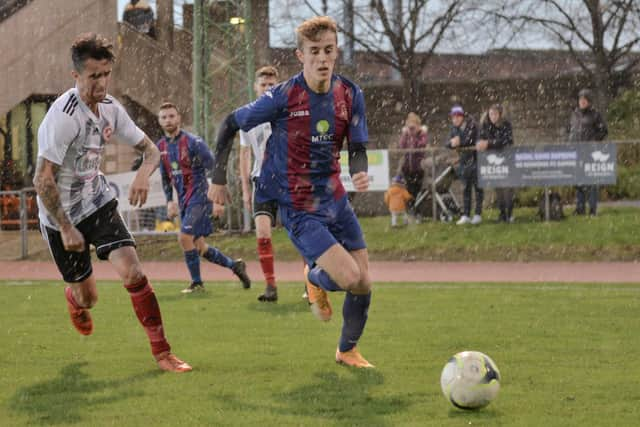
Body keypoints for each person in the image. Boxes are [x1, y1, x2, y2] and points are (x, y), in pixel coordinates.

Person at [208, 16, 374, 368]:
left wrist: (359, 173)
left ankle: (347, 351)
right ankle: (312, 277)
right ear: (301, 55)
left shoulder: (350, 93)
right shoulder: (283, 96)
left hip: (336, 199)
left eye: (328, 50)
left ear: (336, 52)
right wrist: (217, 177)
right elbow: (229, 123)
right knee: (348, 278)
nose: (322, 58)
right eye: (314, 51)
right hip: (299, 206)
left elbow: (357, 146)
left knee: (364, 284)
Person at [32, 33, 190, 372]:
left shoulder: (110, 109)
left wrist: (143, 175)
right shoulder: (63, 117)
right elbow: (42, 180)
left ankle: (163, 354)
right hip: (59, 214)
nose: (102, 83)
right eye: (94, 76)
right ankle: (75, 300)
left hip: (97, 201)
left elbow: (150, 150)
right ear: (76, 76)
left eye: (106, 74)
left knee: (133, 270)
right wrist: (65, 226)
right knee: (89, 298)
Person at [156, 102, 251, 294]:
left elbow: (214, 167)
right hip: (185, 201)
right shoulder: (161, 147)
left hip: (200, 197)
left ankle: (197, 283)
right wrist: (169, 200)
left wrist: (217, 200)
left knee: (184, 237)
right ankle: (235, 266)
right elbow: (165, 178)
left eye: (171, 116)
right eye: (164, 117)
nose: (168, 120)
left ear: (179, 118)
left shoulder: (193, 142)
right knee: (199, 246)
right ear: (159, 121)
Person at [239, 66, 281, 302]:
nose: (267, 88)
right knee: (263, 234)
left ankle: (311, 285)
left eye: (272, 85)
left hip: (287, 181)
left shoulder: (285, 113)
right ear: (256, 87)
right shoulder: (248, 116)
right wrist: (245, 189)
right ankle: (270, 286)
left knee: (301, 234)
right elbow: (244, 155)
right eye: (263, 84)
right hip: (261, 181)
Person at [568, 89, 608, 216]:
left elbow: (603, 131)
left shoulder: (595, 115)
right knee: (578, 181)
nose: (582, 102)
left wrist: (593, 140)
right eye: (580, 99)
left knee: (591, 181)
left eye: (584, 100)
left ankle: (592, 209)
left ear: (589, 102)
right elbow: (569, 129)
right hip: (576, 151)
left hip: (590, 151)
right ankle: (580, 208)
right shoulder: (574, 114)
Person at [477, 104, 515, 223]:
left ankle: (509, 213)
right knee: (498, 189)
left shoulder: (506, 125)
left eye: (495, 114)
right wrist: (481, 144)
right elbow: (480, 139)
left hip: (506, 160)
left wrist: (489, 143)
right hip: (492, 162)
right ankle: (502, 213)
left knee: (508, 188)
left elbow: (507, 140)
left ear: (500, 114)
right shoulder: (485, 126)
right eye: (491, 114)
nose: (493, 116)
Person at [446, 104, 483, 225]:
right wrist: (452, 143)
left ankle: (478, 214)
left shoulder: (472, 125)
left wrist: (459, 142)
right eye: (453, 117)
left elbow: (471, 140)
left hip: (476, 160)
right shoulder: (453, 129)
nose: (455, 119)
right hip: (463, 162)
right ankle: (466, 214)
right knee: (465, 189)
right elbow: (447, 143)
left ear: (462, 116)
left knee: (478, 188)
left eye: (457, 116)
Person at [397, 112, 428, 222]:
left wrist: (414, 136)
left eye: (413, 124)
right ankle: (410, 214)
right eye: (409, 124)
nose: (411, 127)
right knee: (408, 192)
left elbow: (420, 145)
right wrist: (406, 135)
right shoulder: (406, 135)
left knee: (417, 192)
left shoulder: (422, 134)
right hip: (407, 168)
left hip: (418, 168)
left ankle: (416, 213)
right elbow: (401, 146)